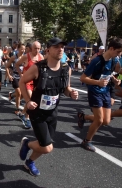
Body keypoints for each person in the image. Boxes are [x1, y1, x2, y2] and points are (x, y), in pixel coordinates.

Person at [18, 38, 78, 176]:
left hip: (52, 113)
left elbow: (66, 89)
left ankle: (30, 162)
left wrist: (71, 93)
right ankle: (27, 144)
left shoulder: (66, 69)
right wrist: (27, 101)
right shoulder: (38, 68)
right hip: (37, 112)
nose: (60, 49)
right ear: (48, 50)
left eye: (62, 46)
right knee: (47, 147)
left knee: (44, 144)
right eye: (56, 47)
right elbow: (22, 81)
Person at [78, 38, 122, 152]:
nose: (119, 54)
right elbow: (83, 78)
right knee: (99, 120)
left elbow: (108, 74)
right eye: (118, 52)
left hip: (106, 92)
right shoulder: (97, 61)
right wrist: (98, 82)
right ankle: (87, 141)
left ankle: (83, 117)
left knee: (106, 121)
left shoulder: (114, 60)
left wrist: (115, 80)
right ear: (111, 48)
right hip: (95, 91)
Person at [15, 41, 43, 128]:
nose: (37, 50)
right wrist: (20, 74)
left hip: (35, 82)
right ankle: (27, 118)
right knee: (32, 99)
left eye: (39, 48)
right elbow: (17, 64)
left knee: (33, 100)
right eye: (35, 48)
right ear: (31, 48)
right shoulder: (26, 56)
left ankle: (23, 113)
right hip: (27, 81)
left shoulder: (41, 57)